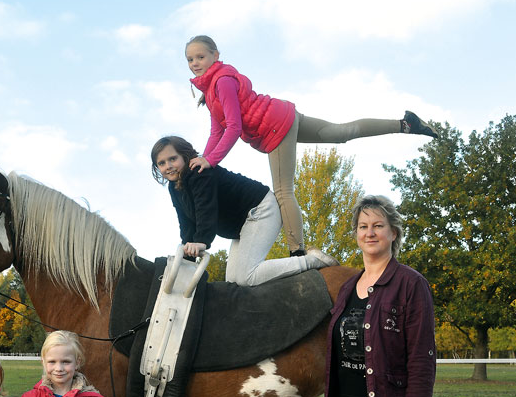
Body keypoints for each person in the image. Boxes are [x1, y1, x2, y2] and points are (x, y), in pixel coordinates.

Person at [184, 35, 438, 257]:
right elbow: (217, 129)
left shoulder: (222, 82)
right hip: (283, 115)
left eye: (200, 57)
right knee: (341, 132)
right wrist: (204, 158)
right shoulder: (211, 90)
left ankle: (297, 251)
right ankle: (406, 124)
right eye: (190, 60)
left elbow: (234, 128)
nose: (195, 63)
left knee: (283, 191)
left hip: (274, 127)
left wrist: (210, 161)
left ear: (215, 56)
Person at [315, 195, 436, 397]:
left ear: (393, 233)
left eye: (378, 226)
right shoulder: (347, 289)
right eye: (363, 226)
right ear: (356, 233)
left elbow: (422, 363)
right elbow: (337, 360)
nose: (370, 232)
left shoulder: (411, 285)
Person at [151, 135, 338, 287]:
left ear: (184, 155)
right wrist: (187, 254)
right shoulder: (174, 188)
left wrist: (201, 242)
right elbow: (185, 221)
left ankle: (311, 261)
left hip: (260, 208)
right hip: (242, 226)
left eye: (172, 159)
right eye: (161, 163)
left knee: (246, 277)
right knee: (234, 283)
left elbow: (205, 208)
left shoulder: (199, 173)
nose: (168, 166)